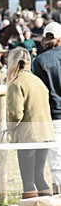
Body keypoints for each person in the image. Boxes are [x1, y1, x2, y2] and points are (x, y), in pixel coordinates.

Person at [6, 47, 54, 200]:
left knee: (27, 181)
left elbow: (15, 114)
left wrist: (9, 128)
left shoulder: (16, 84)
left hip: (28, 137)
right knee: (39, 176)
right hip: (45, 135)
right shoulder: (38, 81)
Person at [31, 22, 61, 196]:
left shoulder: (39, 61)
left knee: (56, 162)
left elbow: (40, 92)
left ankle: (58, 199)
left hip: (53, 116)